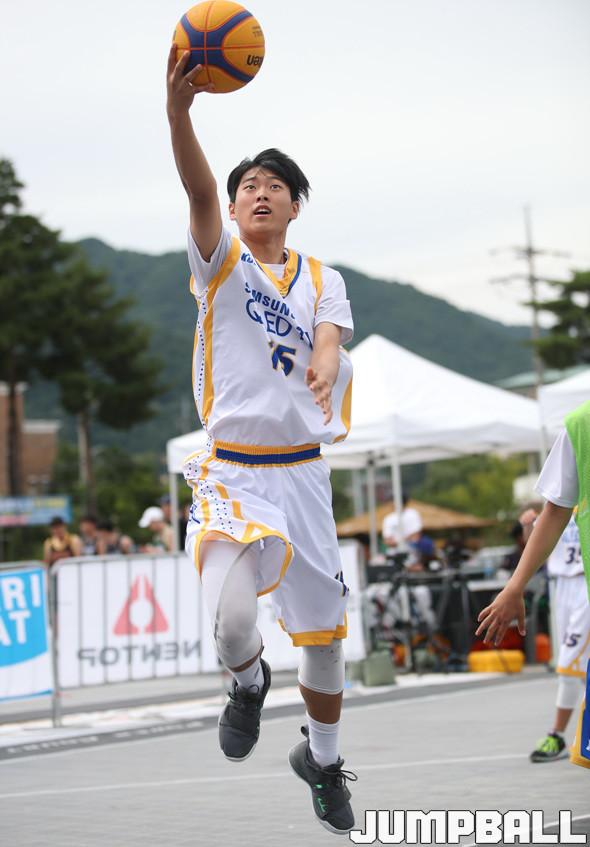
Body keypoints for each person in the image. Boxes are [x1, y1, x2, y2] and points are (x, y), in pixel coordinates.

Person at [166, 46, 357, 834]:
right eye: (250, 184)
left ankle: (322, 757)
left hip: (303, 474)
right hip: (233, 472)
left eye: (276, 185)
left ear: (294, 206)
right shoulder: (221, 264)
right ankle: (247, 684)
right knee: (236, 624)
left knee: (325, 643)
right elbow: (198, 188)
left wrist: (324, 360)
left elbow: (330, 337)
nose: (260, 192)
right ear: (235, 205)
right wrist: (179, 111)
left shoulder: (321, 276)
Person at [476, 399, 590, 770]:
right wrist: (516, 585)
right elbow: (550, 516)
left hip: (581, 591)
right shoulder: (580, 426)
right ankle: (561, 733)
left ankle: (556, 732)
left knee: (570, 663)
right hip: (567, 585)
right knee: (568, 664)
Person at [518, 505, 590, 762]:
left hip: (584, 585)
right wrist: (528, 525)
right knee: (577, 666)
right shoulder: (559, 506)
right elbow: (535, 543)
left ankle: (557, 735)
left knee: (568, 665)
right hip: (561, 587)